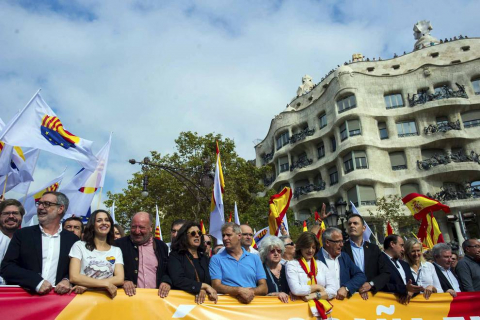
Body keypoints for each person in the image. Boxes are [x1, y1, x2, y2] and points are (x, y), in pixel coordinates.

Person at [1, 192, 78, 294]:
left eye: (46, 204)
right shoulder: (23, 235)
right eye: (39, 203)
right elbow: (7, 268)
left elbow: (78, 269)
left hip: (58, 304)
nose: (40, 207)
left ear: (60, 209)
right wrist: (36, 281)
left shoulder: (73, 240)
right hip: (25, 301)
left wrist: (67, 280)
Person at [69, 210, 124, 298]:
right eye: (99, 220)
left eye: (107, 220)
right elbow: (74, 277)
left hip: (107, 298)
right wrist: (106, 284)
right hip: (81, 299)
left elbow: (119, 278)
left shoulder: (116, 250)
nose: (104, 223)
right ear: (92, 225)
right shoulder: (79, 246)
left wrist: (88, 284)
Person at [115, 212, 171, 297]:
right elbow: (108, 271)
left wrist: (166, 282)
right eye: (134, 227)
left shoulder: (161, 246)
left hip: (156, 302)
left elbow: (168, 270)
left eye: (141, 227)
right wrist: (123, 282)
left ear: (150, 228)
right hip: (128, 301)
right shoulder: (118, 245)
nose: (137, 231)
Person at [209, 222, 267, 304]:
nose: (225, 238)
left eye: (228, 235)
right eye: (223, 235)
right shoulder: (216, 259)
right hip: (228, 308)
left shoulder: (255, 258)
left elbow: (264, 287)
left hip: (253, 307)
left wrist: (249, 292)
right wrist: (239, 290)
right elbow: (216, 286)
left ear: (239, 236)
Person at [286, 232, 337, 318]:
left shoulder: (321, 264)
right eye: (307, 247)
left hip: (323, 311)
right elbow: (296, 289)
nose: (310, 250)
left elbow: (333, 290)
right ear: (300, 247)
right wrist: (318, 287)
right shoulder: (292, 264)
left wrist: (314, 295)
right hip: (302, 313)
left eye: (313, 247)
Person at [168, 221, 217, 304]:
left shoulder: (205, 258)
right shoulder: (175, 256)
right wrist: (202, 286)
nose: (197, 235)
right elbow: (178, 280)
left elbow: (211, 280)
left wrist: (203, 289)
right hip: (182, 304)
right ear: (185, 236)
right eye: (193, 233)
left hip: (204, 304)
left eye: (199, 233)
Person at [343, 214, 390, 300]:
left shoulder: (374, 249)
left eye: (355, 223)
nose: (352, 226)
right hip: (350, 298)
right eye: (349, 224)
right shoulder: (341, 249)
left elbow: (385, 273)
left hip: (372, 297)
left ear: (364, 228)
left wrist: (370, 284)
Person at [317, 227, 366, 300]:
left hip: (342, 305)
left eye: (342, 241)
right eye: (338, 241)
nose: (342, 244)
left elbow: (361, 276)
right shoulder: (316, 258)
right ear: (327, 242)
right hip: (323, 305)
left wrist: (346, 288)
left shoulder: (344, 257)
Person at [381, 235, 422, 303]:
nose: (403, 249)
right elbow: (379, 284)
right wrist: (404, 289)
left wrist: (412, 291)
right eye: (401, 245)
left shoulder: (404, 264)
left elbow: (414, 285)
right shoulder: (378, 261)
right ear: (392, 244)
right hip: (388, 306)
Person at [0, 199, 25, 284]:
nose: (11, 216)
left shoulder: (28, 241)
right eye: (6, 213)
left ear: (21, 217)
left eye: (15, 213)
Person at [259, 236, 290, 303]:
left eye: (279, 251)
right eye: (272, 251)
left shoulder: (287, 269)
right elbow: (258, 295)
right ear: (265, 253)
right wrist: (276, 294)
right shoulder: (260, 270)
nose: (276, 253)